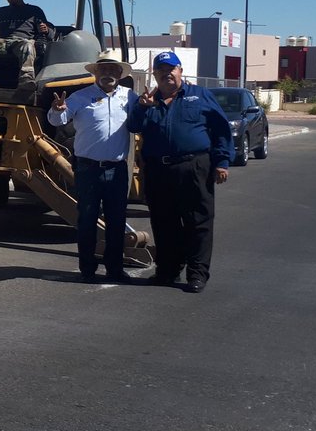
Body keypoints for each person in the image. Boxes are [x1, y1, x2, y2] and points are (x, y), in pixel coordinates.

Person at [126, 51, 232, 293]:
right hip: (158, 169)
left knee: (198, 223)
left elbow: (221, 130)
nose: (167, 74)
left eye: (171, 69)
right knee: (164, 223)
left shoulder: (200, 95)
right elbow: (133, 126)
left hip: (194, 166)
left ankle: (197, 274)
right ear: (155, 74)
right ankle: (168, 271)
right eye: (161, 70)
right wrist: (142, 108)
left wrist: (222, 162)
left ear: (180, 71)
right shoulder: (146, 101)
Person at [48, 50, 138, 283]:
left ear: (120, 73)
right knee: (87, 219)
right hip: (88, 169)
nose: (107, 73)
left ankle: (114, 269)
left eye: (112, 69)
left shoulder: (130, 97)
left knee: (116, 221)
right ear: (95, 73)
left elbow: (141, 122)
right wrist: (56, 110)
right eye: (103, 69)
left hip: (117, 169)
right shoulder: (80, 97)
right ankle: (87, 269)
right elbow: (58, 120)